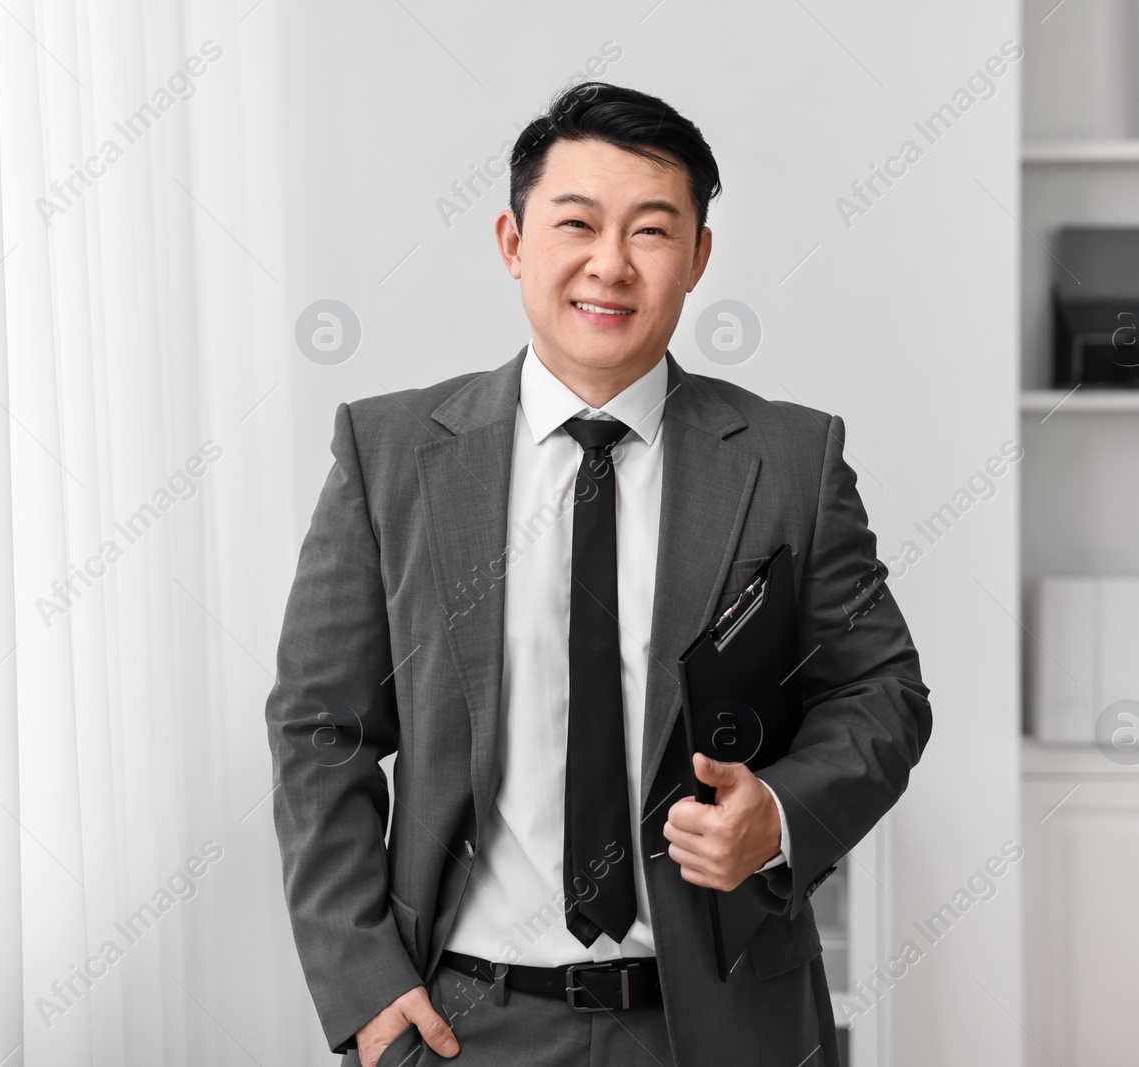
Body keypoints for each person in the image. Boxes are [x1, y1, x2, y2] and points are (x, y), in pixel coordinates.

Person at [265, 81, 931, 1067]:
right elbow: (323, 725)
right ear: (512, 241)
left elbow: (882, 691)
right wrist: (366, 981)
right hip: (463, 1020)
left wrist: (781, 813)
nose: (609, 265)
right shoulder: (391, 453)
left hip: (721, 1023)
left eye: (652, 231)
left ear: (699, 256)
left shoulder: (791, 459)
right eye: (575, 223)